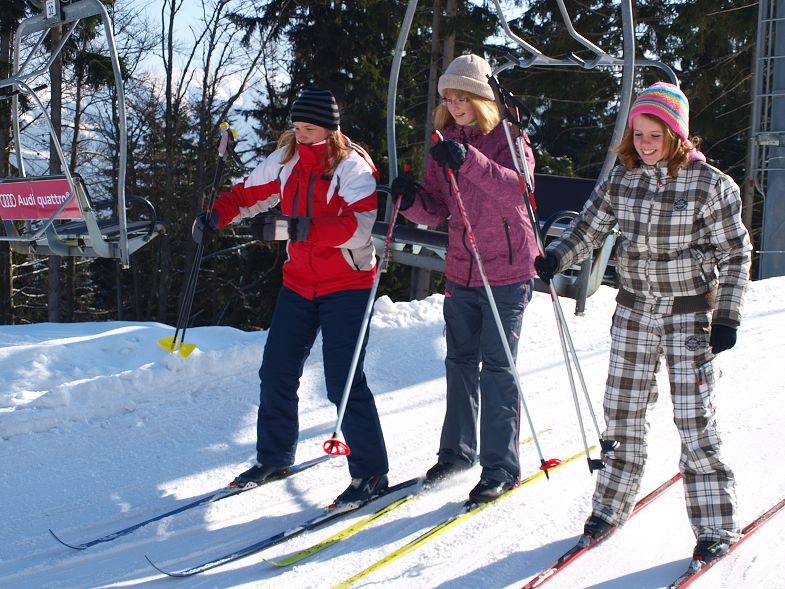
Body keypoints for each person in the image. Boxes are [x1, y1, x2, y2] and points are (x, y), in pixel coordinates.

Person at [534, 82, 751, 564]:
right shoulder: (623, 180)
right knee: (622, 413)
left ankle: (715, 525)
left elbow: (735, 254)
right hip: (634, 311)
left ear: (677, 135)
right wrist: (557, 256)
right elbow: (588, 227)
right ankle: (609, 507)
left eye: (656, 135)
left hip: (688, 315)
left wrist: (726, 316)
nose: (646, 144)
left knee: (694, 420)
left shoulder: (711, 185)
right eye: (639, 134)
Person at [192, 87, 389, 507]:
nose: (301, 136)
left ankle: (371, 471)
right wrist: (215, 216)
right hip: (299, 282)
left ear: (330, 128)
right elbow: (245, 195)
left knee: (343, 381)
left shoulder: (352, 167)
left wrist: (305, 229)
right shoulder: (287, 160)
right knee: (276, 371)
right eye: (297, 127)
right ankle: (274, 457)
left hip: (348, 284)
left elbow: (360, 228)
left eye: (309, 129)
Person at [390, 54, 540, 504]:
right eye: (449, 99)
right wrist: (410, 201)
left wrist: (469, 160)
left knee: (497, 368)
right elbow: (437, 208)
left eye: (463, 98)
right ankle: (457, 453)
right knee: (459, 363)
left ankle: (500, 467)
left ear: (482, 98)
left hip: (507, 270)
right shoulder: (445, 141)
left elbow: (519, 192)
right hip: (462, 268)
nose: (455, 107)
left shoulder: (510, 138)